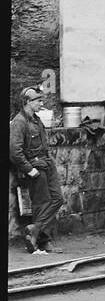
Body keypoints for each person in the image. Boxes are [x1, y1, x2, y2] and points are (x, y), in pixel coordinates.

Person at [9, 87, 65, 254]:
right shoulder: (19, 122)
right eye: (38, 101)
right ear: (27, 102)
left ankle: (35, 230)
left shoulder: (36, 120)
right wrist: (29, 169)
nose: (41, 103)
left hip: (46, 163)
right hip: (34, 167)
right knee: (42, 203)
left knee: (57, 199)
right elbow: (14, 151)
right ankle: (42, 241)